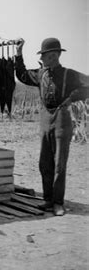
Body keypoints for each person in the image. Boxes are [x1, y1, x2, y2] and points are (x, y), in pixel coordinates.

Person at [15, 37, 89, 216]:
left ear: (56, 55)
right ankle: (48, 200)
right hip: (44, 119)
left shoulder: (69, 74)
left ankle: (58, 203)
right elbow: (22, 75)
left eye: (49, 55)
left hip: (62, 119)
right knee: (44, 163)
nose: (46, 59)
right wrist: (19, 53)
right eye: (44, 56)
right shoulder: (41, 74)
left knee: (59, 164)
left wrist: (71, 98)